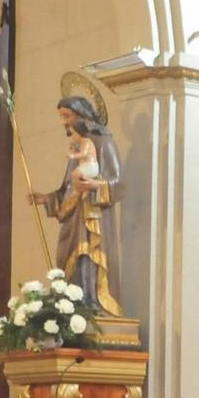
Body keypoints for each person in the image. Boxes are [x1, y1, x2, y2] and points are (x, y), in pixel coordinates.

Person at [28, 97, 124, 315]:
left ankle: (93, 305)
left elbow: (119, 184)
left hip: (94, 216)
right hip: (73, 220)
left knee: (89, 258)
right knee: (70, 261)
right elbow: (67, 189)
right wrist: (47, 198)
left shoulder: (104, 143)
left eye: (67, 116)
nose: (64, 122)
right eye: (62, 117)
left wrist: (92, 186)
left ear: (82, 116)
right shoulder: (78, 148)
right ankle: (74, 308)